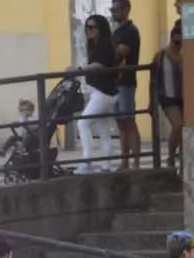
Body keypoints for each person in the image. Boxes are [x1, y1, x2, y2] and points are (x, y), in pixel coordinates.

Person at [76, 15, 120, 173]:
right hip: (101, 91)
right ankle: (106, 166)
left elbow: (100, 65)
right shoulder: (97, 45)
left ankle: (87, 162)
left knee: (83, 123)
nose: (88, 30)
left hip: (103, 92)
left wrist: (79, 69)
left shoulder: (104, 43)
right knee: (104, 130)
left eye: (92, 27)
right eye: (87, 27)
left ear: (101, 28)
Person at [109, 0, 144, 170]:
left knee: (129, 122)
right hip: (116, 83)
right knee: (121, 124)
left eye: (116, 9)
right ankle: (125, 162)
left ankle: (136, 162)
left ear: (126, 10)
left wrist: (107, 56)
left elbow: (120, 53)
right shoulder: (117, 31)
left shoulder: (130, 31)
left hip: (126, 83)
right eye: (112, 9)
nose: (113, 12)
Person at [154, 21, 184, 170]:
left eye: (180, 42)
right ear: (171, 38)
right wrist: (151, 99)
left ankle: (182, 160)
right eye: (176, 41)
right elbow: (152, 79)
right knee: (178, 125)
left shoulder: (186, 54)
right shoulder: (161, 55)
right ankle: (171, 156)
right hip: (167, 96)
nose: (178, 45)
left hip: (184, 96)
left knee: (185, 129)